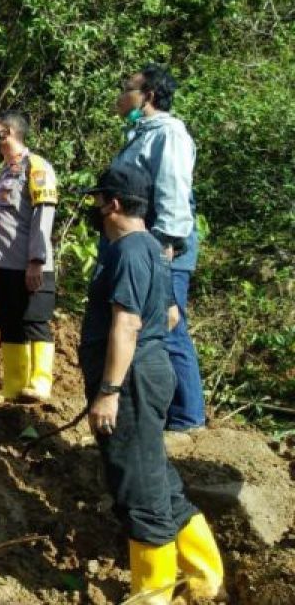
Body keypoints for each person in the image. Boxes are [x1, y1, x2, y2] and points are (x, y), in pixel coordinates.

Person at [79, 163, 223, 604]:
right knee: (156, 478)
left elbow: (127, 324)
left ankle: (153, 596)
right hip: (151, 372)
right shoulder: (157, 251)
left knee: (138, 493)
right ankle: (205, 581)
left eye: (100, 201)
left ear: (114, 203)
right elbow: (173, 314)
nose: (97, 210)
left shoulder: (126, 251)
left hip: (133, 380)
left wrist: (109, 392)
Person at [113, 63, 205, 434]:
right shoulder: (141, 133)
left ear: (147, 96)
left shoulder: (169, 134)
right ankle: (160, 413)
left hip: (163, 247)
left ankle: (187, 417)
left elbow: (173, 192)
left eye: (127, 87)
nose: (121, 95)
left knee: (169, 327)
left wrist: (164, 244)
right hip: (141, 245)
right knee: (150, 328)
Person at [0, 112, 59, 404]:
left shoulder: (36, 167)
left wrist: (37, 260)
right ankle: (13, 386)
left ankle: (40, 383)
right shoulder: (5, 171)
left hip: (28, 264)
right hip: (2, 263)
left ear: (11, 132)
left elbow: (43, 216)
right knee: (9, 322)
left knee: (34, 321)